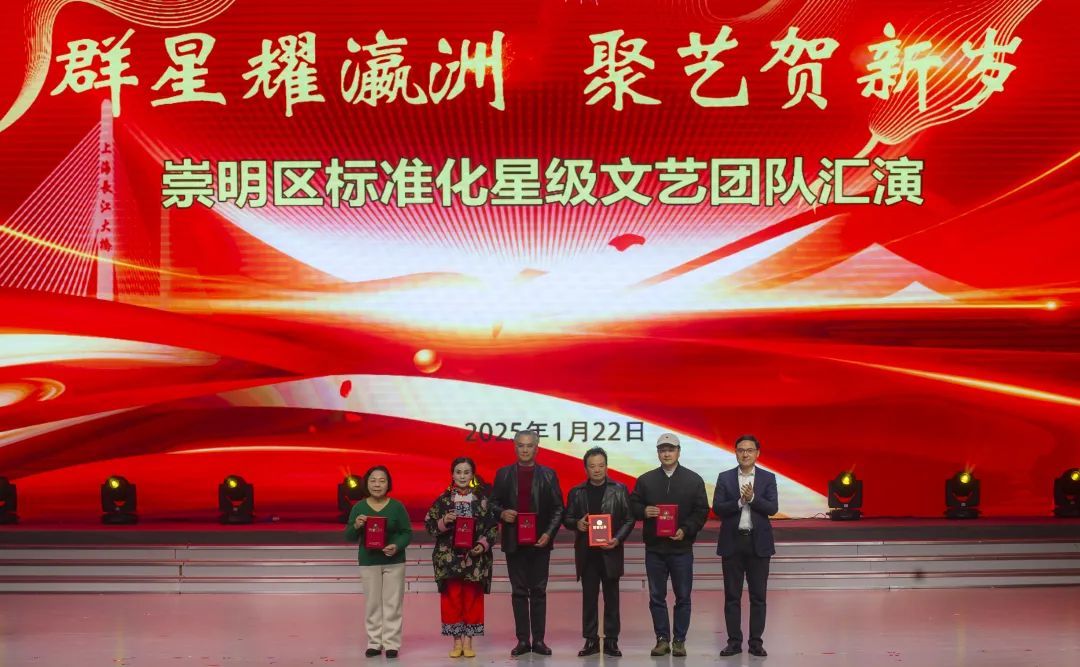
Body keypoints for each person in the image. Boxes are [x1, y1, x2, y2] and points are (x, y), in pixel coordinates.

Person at [629, 433, 710, 658]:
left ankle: (680, 641)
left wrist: (686, 529)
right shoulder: (645, 480)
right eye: (662, 450)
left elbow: (701, 511)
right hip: (655, 549)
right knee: (657, 596)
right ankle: (662, 639)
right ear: (658, 453)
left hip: (681, 549)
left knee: (683, 596)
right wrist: (643, 511)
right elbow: (632, 504)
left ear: (679, 451)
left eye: (671, 449)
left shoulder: (693, 480)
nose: (666, 453)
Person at [490, 430, 565, 656]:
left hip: (540, 542)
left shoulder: (548, 475)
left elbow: (558, 509)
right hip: (514, 542)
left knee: (539, 591)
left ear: (537, 448)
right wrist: (502, 513)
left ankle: (539, 640)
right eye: (521, 445)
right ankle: (523, 640)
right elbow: (491, 504)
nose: (525, 449)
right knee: (519, 592)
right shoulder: (503, 474)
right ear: (515, 447)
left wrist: (549, 534)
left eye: (529, 445)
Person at [563, 446, 635, 657]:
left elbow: (629, 519)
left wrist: (617, 539)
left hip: (610, 552)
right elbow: (567, 518)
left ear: (606, 466)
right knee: (589, 599)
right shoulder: (577, 492)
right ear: (585, 468)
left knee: (612, 599)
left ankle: (611, 640)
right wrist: (577, 524)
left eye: (601, 465)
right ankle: (591, 640)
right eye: (592, 466)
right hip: (587, 554)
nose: (597, 470)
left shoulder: (619, 489)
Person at [425, 457, 500, 658]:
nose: (462, 476)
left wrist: (481, 545)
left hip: (474, 561)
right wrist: (443, 521)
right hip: (449, 560)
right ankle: (456, 641)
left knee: (473, 600)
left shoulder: (482, 500)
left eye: (466, 472)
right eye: (458, 472)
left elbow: (493, 528)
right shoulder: (443, 500)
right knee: (452, 600)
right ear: (452, 474)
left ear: (472, 475)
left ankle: (468, 641)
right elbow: (429, 526)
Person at [713, 434, 777, 658]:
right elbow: (718, 508)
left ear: (757, 453)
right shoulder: (725, 477)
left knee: (758, 597)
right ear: (735, 453)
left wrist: (753, 498)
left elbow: (772, 508)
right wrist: (740, 502)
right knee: (732, 596)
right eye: (741, 450)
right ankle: (734, 642)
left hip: (758, 544)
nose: (745, 454)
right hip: (732, 543)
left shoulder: (768, 478)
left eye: (750, 450)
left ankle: (756, 643)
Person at [344, 465, 413, 659]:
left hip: (394, 561)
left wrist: (396, 546)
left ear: (388, 484)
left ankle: (391, 643)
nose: (377, 484)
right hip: (369, 561)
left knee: (393, 603)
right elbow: (349, 536)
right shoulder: (358, 507)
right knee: (373, 604)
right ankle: (374, 642)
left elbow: (406, 532)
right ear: (366, 484)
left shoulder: (397, 506)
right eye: (373, 480)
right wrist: (356, 525)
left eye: (382, 481)